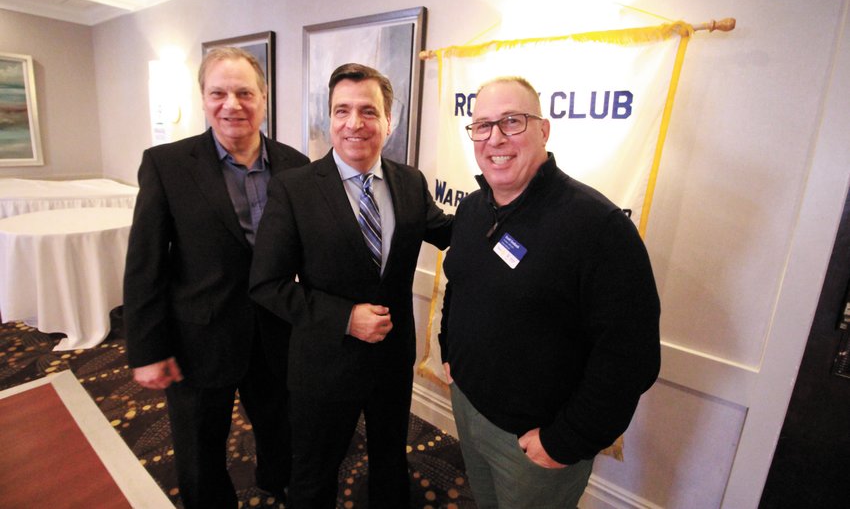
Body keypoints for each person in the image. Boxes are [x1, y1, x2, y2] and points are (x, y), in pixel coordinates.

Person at [439, 76, 661, 508]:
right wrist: (450, 349)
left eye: (512, 121)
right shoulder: (471, 208)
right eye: (482, 125)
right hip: (467, 407)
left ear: (544, 130)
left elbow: (630, 359)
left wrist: (566, 440)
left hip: (533, 444)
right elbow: (458, 285)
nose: (495, 137)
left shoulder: (598, 228)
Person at [249, 62, 453, 509]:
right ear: (329, 119)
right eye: (342, 111)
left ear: (388, 121)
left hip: (393, 358)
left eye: (368, 111)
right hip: (324, 362)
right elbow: (267, 284)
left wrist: (512, 206)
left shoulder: (410, 182)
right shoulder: (294, 188)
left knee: (389, 460)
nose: (354, 123)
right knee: (314, 473)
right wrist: (345, 318)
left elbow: (449, 231)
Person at [123, 46, 309, 508]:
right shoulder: (166, 165)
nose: (232, 104)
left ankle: (277, 480)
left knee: (280, 426)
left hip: (276, 335)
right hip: (199, 339)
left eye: (244, 92)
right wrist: (147, 349)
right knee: (200, 445)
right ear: (204, 99)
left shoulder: (296, 166)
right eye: (218, 93)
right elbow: (145, 264)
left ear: (264, 98)